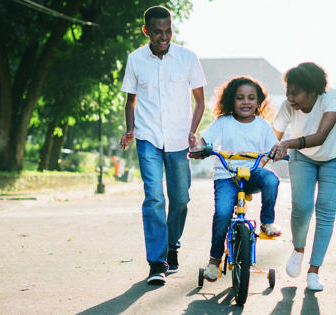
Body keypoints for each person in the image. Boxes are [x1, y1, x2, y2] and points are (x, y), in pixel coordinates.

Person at [119, 5, 206, 285]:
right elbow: (130, 101)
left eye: (168, 30)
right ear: (147, 31)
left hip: (180, 139)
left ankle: (172, 246)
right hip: (147, 139)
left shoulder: (187, 58)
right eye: (158, 32)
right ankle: (157, 262)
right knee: (154, 197)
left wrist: (193, 131)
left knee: (180, 199)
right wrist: (131, 130)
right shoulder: (135, 60)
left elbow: (200, 100)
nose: (164, 36)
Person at [270, 62, 336, 291]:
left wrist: (287, 143)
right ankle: (298, 249)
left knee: (325, 209)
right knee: (302, 207)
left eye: (295, 92)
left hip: (335, 156)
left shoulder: (331, 98)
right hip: (303, 158)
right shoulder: (288, 106)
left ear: (313, 91)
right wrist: (258, 159)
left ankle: (314, 271)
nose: (289, 97)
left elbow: (321, 136)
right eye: (288, 91)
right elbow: (271, 137)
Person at [191, 76, 281, 282]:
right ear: (232, 100)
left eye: (251, 98)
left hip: (251, 174)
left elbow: (274, 147)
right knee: (222, 214)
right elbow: (203, 142)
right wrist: (198, 149)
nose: (246, 102)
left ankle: (267, 222)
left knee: (272, 180)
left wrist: (277, 152)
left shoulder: (263, 126)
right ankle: (214, 260)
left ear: (258, 102)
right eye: (240, 98)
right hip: (226, 176)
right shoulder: (223, 123)